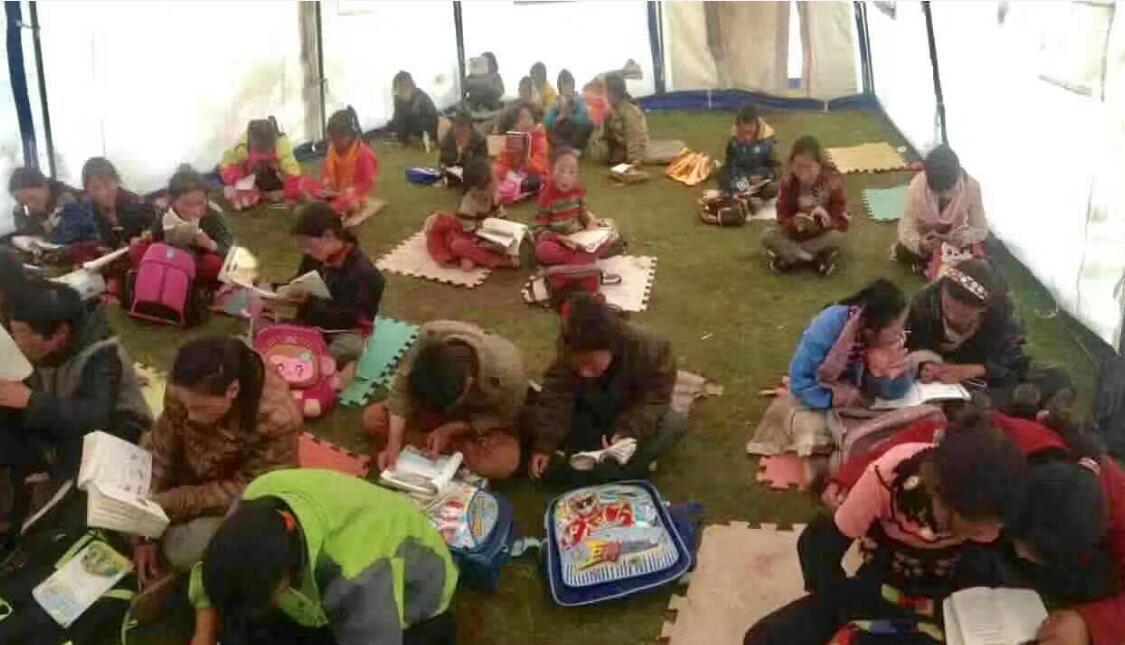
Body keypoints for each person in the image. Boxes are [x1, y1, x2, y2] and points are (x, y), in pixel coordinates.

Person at [744, 412, 1028, 644]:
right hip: (885, 580)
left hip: (954, 596)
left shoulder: (1001, 498)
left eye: (997, 528)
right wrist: (840, 601)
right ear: (942, 501)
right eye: (978, 530)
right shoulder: (886, 478)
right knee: (765, 639)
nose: (992, 536)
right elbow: (821, 548)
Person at [187, 469, 457, 645]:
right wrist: (203, 636)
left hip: (415, 601)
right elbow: (219, 574)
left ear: (284, 578)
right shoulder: (257, 498)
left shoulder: (357, 575)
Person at [134, 336, 300, 599]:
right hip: (190, 467)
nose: (189, 416)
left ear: (232, 391)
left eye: (199, 408)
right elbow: (164, 444)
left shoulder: (277, 419)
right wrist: (146, 528)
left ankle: (182, 571)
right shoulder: (184, 387)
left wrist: (174, 502)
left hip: (234, 492)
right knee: (128, 494)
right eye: (185, 406)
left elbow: (249, 489)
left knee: (184, 551)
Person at [0, 280, 150, 543]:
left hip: (113, 439)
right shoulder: (40, 350)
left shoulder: (102, 355)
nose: (16, 340)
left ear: (60, 334)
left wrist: (30, 400)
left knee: (64, 522)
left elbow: (94, 419)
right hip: (58, 425)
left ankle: (41, 510)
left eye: (22, 333)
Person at [746, 280, 917, 457]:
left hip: (852, 390)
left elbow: (896, 389)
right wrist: (840, 397)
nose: (900, 333)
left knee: (890, 415)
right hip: (822, 390)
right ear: (871, 329)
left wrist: (882, 375)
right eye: (894, 328)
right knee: (815, 428)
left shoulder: (886, 340)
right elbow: (801, 381)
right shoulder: (828, 327)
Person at [528, 293, 685, 484]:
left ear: (611, 345)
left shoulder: (653, 350)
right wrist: (545, 445)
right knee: (537, 417)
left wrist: (627, 431)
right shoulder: (570, 346)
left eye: (590, 364)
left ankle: (599, 469)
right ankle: (609, 467)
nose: (584, 373)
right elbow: (557, 394)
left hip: (630, 413)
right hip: (591, 409)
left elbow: (655, 399)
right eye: (578, 365)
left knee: (673, 424)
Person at [364, 320, 527, 480]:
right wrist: (393, 445)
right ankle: (441, 448)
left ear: (468, 383)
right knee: (373, 419)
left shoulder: (509, 373)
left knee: (503, 462)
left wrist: (452, 429)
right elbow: (402, 389)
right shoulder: (429, 336)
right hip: (435, 412)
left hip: (478, 421)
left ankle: (430, 445)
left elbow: (504, 417)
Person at [905, 258, 1072, 412]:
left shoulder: (1002, 311)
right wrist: (927, 365)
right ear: (942, 290)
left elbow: (1011, 354)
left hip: (985, 370)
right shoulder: (925, 302)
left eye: (963, 315)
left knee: (1056, 378)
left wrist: (971, 370)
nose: (952, 317)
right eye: (947, 307)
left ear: (983, 309)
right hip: (943, 372)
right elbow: (911, 343)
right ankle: (1015, 407)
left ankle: (993, 406)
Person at [288, 202, 385, 379]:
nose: (306, 250)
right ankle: (315, 359)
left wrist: (313, 303)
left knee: (351, 347)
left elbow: (355, 317)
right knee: (267, 321)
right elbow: (300, 280)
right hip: (312, 321)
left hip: (343, 329)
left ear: (328, 236)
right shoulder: (314, 256)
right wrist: (286, 292)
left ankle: (319, 362)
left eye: (308, 244)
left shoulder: (365, 274)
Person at [761, 135, 848, 276]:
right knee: (767, 235)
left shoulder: (832, 181)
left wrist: (826, 219)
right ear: (792, 164)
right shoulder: (788, 183)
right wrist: (794, 222)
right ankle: (815, 259)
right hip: (795, 234)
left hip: (821, 235)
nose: (803, 173)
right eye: (798, 167)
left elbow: (841, 218)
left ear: (819, 164)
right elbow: (782, 216)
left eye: (808, 167)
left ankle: (791, 258)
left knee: (838, 238)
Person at [896, 145, 988, 273]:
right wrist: (920, 244)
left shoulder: (972, 187)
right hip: (927, 238)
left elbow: (980, 229)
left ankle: (932, 265)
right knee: (902, 251)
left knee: (984, 251)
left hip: (956, 240)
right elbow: (906, 225)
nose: (946, 196)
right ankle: (933, 263)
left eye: (950, 189)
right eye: (938, 192)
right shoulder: (918, 186)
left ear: (959, 175)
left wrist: (959, 238)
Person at [137, 165, 232, 287]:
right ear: (173, 201)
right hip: (169, 257)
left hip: (197, 262)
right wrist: (148, 235)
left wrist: (210, 244)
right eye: (187, 204)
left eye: (200, 203)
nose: (195, 210)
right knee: (137, 248)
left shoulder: (212, 215)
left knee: (215, 264)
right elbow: (155, 232)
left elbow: (229, 249)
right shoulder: (167, 214)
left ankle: (183, 284)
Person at [425, 159, 519, 272]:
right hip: (469, 236)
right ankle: (494, 261)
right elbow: (470, 234)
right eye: (492, 183)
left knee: (512, 237)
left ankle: (471, 257)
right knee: (458, 245)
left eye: (495, 181)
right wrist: (489, 244)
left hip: (487, 235)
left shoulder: (493, 195)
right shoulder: (468, 204)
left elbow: (502, 219)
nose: (495, 185)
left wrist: (505, 236)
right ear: (474, 189)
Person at [534, 148, 612, 266]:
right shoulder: (546, 197)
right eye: (561, 171)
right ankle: (581, 259)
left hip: (579, 237)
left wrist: (590, 223)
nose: (566, 177)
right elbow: (540, 230)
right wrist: (560, 238)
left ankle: (578, 259)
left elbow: (582, 213)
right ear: (552, 171)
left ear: (577, 174)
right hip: (558, 241)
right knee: (542, 251)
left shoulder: (579, 191)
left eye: (572, 172)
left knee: (609, 232)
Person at [219, 118, 303, 211]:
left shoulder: (282, 146)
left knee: (298, 186)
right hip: (248, 173)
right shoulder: (241, 149)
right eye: (259, 150)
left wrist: (291, 196)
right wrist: (240, 182)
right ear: (251, 143)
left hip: (270, 172)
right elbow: (227, 166)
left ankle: (263, 193)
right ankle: (259, 193)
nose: (264, 152)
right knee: (244, 198)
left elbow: (292, 173)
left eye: (267, 149)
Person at [82, 157, 156, 252]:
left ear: (116, 181)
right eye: (96, 188)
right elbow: (106, 241)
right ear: (88, 191)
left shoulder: (137, 204)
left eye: (107, 184)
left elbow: (156, 231)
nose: (103, 192)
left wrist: (146, 237)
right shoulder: (94, 209)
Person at [319, 106, 379, 219]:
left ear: (351, 135)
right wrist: (326, 187)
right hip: (333, 193)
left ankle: (327, 211)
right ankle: (327, 209)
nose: (335, 141)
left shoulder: (364, 154)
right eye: (333, 137)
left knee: (349, 202)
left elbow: (368, 182)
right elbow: (326, 173)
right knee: (308, 186)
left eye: (340, 137)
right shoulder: (332, 149)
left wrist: (351, 191)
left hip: (353, 196)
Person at [586, 73, 649, 167]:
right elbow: (602, 136)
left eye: (605, 92)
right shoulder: (610, 110)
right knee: (600, 151)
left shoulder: (630, 112)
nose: (604, 95)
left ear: (613, 93)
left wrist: (634, 160)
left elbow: (635, 137)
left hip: (632, 148)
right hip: (618, 147)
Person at [719, 104, 779, 199]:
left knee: (772, 189)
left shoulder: (768, 141)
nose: (747, 138)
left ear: (756, 126)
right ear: (738, 127)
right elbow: (730, 165)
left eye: (750, 133)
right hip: (743, 180)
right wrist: (741, 180)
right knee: (723, 175)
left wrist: (765, 175)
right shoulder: (733, 141)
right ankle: (739, 194)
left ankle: (745, 195)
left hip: (761, 180)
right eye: (743, 133)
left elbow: (777, 168)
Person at [5, 166, 80, 240]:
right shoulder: (32, 206)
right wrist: (19, 213)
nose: (30, 205)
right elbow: (26, 230)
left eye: (31, 198)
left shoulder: (65, 199)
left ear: (44, 186)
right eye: (24, 202)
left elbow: (71, 233)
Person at [492, 102, 549, 193]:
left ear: (534, 121)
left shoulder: (540, 139)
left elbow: (540, 167)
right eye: (519, 119)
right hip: (514, 178)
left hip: (535, 177)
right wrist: (499, 172)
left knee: (534, 182)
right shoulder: (513, 138)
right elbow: (503, 161)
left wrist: (527, 161)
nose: (523, 122)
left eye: (527, 118)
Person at [544, 69, 593, 151]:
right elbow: (547, 121)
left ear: (572, 85)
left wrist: (570, 116)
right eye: (564, 86)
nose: (567, 89)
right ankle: (563, 147)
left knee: (588, 125)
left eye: (569, 85)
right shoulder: (557, 102)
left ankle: (573, 149)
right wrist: (560, 117)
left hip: (575, 132)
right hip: (561, 132)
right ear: (560, 88)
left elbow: (585, 118)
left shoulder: (578, 100)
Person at [387, 71, 439, 148]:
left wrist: (431, 137)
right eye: (398, 91)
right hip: (409, 127)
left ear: (412, 88)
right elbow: (398, 120)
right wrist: (400, 136)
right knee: (392, 125)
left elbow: (433, 119)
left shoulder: (422, 98)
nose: (401, 95)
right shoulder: (398, 100)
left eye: (404, 91)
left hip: (424, 128)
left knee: (420, 123)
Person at [438, 109, 488, 186]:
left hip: (471, 170)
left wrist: (466, 152)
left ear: (470, 127)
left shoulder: (479, 140)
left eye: (463, 126)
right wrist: (458, 154)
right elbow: (444, 160)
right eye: (458, 126)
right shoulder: (448, 138)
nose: (460, 130)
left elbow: (482, 161)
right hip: (453, 171)